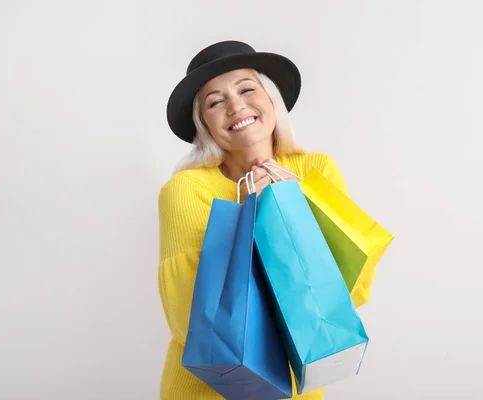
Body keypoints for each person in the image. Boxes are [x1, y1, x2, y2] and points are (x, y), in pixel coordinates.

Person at [157, 40, 374, 399]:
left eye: (246, 89)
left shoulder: (315, 170)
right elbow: (188, 318)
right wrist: (246, 218)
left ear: (271, 100)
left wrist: (296, 213)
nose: (236, 105)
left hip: (296, 390)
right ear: (204, 125)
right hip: (209, 392)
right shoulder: (185, 189)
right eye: (215, 101)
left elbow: (351, 291)